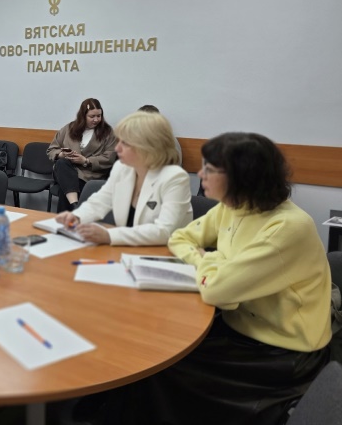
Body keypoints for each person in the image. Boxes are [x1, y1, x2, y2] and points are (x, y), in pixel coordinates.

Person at [91, 132, 332, 425]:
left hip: (281, 349)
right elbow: (180, 238)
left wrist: (213, 261)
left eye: (211, 169)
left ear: (243, 177)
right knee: (149, 342)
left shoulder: (287, 227)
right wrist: (213, 261)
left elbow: (217, 290)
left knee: (158, 363)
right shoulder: (234, 206)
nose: (200, 174)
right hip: (237, 323)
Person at [55, 111, 192, 245]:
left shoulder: (174, 178)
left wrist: (109, 235)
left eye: (125, 143)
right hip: (126, 250)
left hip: (164, 253)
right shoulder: (122, 168)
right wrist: (78, 216)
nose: (117, 148)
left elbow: (163, 231)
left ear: (147, 147)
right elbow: (101, 200)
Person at [47, 98, 117, 212]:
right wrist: (61, 154)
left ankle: (72, 208)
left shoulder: (108, 132)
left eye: (99, 116)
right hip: (66, 171)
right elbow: (51, 150)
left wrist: (86, 161)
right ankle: (75, 207)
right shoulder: (69, 128)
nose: (96, 119)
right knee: (62, 163)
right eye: (92, 116)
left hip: (89, 174)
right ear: (83, 116)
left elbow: (110, 158)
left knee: (65, 189)